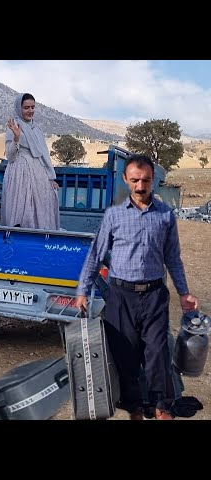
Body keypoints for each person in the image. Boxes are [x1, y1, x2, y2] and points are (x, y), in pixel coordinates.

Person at [75, 153, 199, 420]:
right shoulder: (114, 216)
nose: (141, 186)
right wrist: (83, 291)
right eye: (135, 180)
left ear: (153, 180)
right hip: (121, 297)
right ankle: (135, 411)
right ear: (125, 180)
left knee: (157, 355)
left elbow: (173, 258)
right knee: (126, 359)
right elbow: (96, 256)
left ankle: (162, 408)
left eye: (146, 180)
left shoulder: (165, 216)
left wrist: (184, 292)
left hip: (154, 295)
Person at [2, 92, 60, 229]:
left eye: (32, 107)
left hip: (38, 172)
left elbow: (44, 154)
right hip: (19, 174)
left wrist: (51, 177)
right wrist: (16, 138)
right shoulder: (14, 125)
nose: (30, 111)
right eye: (26, 107)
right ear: (19, 108)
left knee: (47, 200)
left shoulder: (37, 128)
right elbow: (10, 157)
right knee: (23, 207)